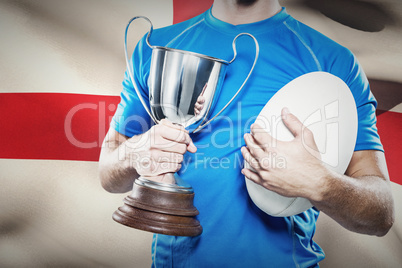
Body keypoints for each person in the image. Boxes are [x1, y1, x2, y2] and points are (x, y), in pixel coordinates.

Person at [99, 0, 395, 266]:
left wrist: (321, 183)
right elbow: (108, 173)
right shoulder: (157, 47)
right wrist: (135, 152)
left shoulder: (332, 62)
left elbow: (380, 214)